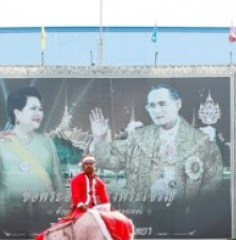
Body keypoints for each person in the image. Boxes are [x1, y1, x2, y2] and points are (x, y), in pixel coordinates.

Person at [89, 84, 223, 196]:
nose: (157, 110)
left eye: (162, 104)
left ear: (177, 104)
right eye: (152, 106)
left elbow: (213, 189)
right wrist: (99, 138)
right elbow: (106, 161)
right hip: (144, 219)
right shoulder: (138, 139)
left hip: (185, 221)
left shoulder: (202, 143)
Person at [0, 86, 63, 194]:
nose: (38, 113)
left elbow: (58, 184)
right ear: (17, 113)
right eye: (33, 108)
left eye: (40, 109)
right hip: (10, 209)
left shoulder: (47, 143)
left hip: (44, 209)